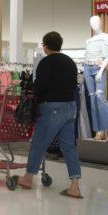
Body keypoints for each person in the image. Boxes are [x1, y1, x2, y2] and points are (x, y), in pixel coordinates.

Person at [14, 31, 82, 199]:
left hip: (52, 109)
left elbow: (39, 87)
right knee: (69, 147)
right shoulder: (70, 62)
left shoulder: (46, 62)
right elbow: (74, 85)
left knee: (39, 143)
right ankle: (74, 186)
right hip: (70, 108)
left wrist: (26, 85)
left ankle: (28, 178)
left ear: (46, 46)